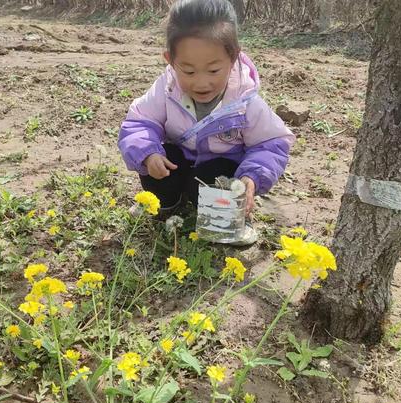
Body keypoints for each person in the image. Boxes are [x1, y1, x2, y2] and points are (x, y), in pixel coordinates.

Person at [118, 0, 294, 243]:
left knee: (217, 178)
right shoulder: (167, 87)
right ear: (170, 60)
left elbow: (271, 143)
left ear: (233, 59)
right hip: (178, 165)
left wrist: (252, 177)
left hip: (217, 171)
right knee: (159, 159)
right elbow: (139, 122)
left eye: (213, 71)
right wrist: (148, 154)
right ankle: (166, 204)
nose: (201, 83)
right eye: (188, 71)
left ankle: (231, 220)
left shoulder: (245, 101)